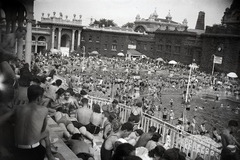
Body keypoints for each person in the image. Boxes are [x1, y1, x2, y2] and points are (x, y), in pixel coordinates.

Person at [13, 85, 54, 160]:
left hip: (17, 150)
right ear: (39, 98)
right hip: (33, 151)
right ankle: (50, 157)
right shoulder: (44, 109)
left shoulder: (18, 108)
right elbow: (42, 129)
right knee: (46, 132)